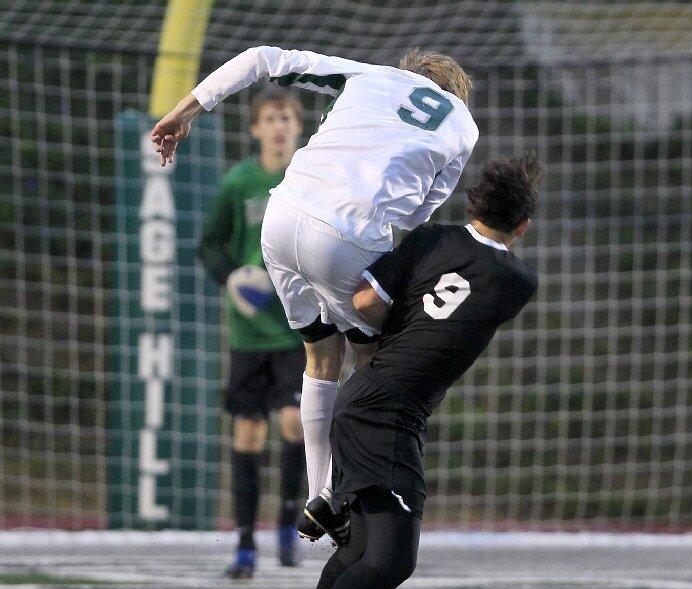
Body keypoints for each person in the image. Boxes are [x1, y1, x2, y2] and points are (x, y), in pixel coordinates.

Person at [149, 46, 478, 544]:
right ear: (455, 93)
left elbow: (262, 58)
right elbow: (419, 215)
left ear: (405, 72)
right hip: (348, 238)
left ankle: (318, 495)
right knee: (375, 365)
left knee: (319, 360)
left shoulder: (370, 74)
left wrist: (187, 108)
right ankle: (362, 491)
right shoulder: (463, 126)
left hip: (281, 219)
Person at [263, 154, 540, 589]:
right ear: (524, 226)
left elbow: (365, 300)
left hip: (365, 399)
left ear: (472, 203)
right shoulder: (518, 282)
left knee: (362, 550)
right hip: (387, 415)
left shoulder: (431, 238)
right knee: (391, 560)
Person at [197, 87, 307, 578]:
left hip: (297, 327)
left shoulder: (309, 180)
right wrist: (233, 279)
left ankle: (288, 525)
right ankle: (244, 545)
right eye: (269, 118)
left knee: (295, 423)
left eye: (286, 116)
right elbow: (210, 246)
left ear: (299, 127)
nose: (279, 125)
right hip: (249, 333)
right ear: (255, 129)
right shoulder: (238, 183)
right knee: (247, 433)